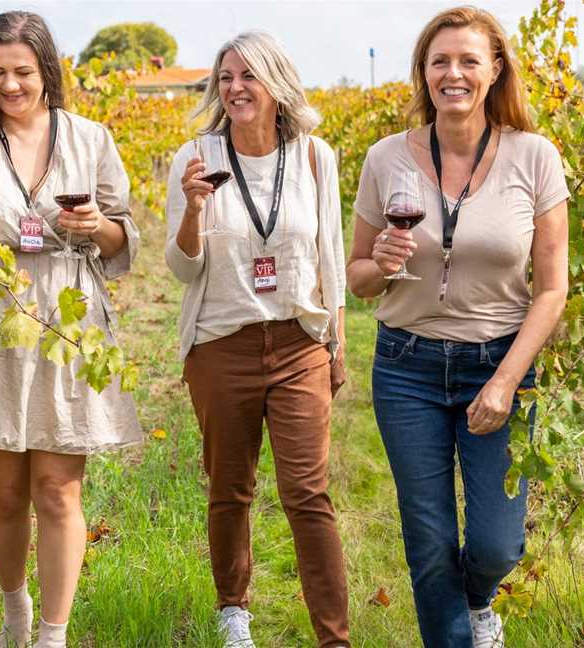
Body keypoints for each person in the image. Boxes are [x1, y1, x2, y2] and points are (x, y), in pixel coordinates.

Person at [347, 7, 568, 648]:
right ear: (424, 71)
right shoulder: (386, 157)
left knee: (497, 544)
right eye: (440, 60)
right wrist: (380, 265)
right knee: (430, 541)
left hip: (498, 364)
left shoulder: (535, 156)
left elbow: (552, 290)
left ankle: (479, 601)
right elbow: (359, 281)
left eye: (469, 60)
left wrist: (505, 381)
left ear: (495, 70)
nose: (454, 73)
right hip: (405, 367)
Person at [0, 11, 141, 648]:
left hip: (67, 314)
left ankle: (52, 635)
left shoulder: (90, 139)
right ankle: (14, 607)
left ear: (48, 71)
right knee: (4, 492)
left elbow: (123, 234)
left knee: (57, 487)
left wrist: (94, 227)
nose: (10, 86)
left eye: (22, 72)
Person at [165, 31, 350, 648]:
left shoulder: (315, 157)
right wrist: (193, 209)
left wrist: (337, 340)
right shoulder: (195, 155)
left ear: (276, 86)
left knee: (308, 493)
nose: (236, 88)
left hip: (299, 343)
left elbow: (331, 254)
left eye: (249, 76)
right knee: (231, 487)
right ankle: (233, 612)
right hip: (222, 344)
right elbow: (182, 267)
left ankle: (333, 635)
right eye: (226, 78)